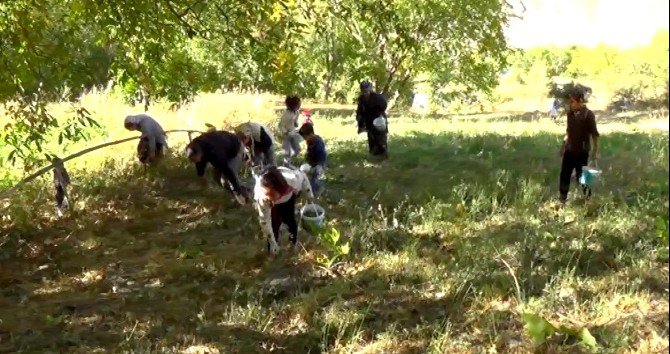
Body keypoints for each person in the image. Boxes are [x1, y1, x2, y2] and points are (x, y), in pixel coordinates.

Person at [253, 165, 314, 254]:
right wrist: (272, 242)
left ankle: (293, 243)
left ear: (279, 188)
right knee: (274, 225)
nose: (268, 197)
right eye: (266, 195)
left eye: (271, 194)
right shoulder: (262, 197)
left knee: (290, 220)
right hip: (272, 205)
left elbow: (303, 177)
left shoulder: (292, 179)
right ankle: (273, 250)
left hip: (288, 199)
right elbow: (264, 221)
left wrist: (310, 197)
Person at [185, 131, 249, 205]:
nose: (193, 162)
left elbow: (228, 172)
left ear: (200, 153)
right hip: (223, 146)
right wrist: (201, 176)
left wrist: (237, 190)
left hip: (235, 148)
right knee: (216, 178)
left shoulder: (214, 153)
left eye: (193, 160)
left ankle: (243, 196)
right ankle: (234, 193)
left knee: (226, 180)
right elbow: (199, 162)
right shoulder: (195, 146)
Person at [558, 88, 600, 203]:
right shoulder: (570, 114)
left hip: (582, 150)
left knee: (582, 176)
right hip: (569, 149)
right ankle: (562, 198)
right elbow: (568, 131)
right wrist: (563, 146)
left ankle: (588, 199)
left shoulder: (588, 115)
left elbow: (595, 134)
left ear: (580, 101)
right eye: (569, 102)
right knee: (565, 174)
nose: (570, 104)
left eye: (573, 101)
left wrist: (595, 151)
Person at [356, 81, 389, 158]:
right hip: (369, 121)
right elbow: (360, 111)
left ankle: (383, 155)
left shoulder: (377, 97)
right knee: (371, 137)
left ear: (370, 89)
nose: (365, 92)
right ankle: (373, 154)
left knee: (381, 137)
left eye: (366, 90)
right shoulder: (361, 99)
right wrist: (360, 123)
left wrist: (379, 115)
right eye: (363, 90)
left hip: (379, 119)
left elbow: (384, 106)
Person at [298, 122, 327, 197]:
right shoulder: (310, 141)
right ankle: (307, 189)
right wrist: (308, 162)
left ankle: (316, 192)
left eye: (305, 137)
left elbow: (322, 157)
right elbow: (309, 154)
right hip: (313, 162)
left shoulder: (318, 142)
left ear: (310, 134)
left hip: (320, 163)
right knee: (303, 173)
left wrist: (317, 166)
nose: (304, 139)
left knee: (314, 178)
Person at [278, 96, 303, 166]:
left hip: (293, 133)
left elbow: (295, 122)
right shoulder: (286, 114)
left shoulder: (297, 112)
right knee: (287, 152)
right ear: (292, 105)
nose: (299, 106)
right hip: (286, 135)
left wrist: (296, 123)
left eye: (299, 104)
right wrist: (285, 132)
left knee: (297, 150)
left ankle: (289, 160)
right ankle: (286, 165)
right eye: (298, 104)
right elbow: (280, 125)